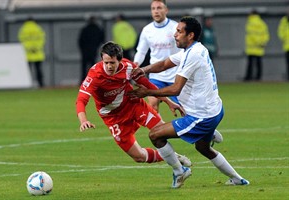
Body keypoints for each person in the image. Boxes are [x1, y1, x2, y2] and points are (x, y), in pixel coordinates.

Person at [128, 16, 250, 189]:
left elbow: (175, 89)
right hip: (214, 110)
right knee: (203, 148)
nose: (174, 35)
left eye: (179, 31)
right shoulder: (195, 49)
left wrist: (147, 91)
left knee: (155, 135)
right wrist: (143, 70)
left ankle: (180, 171)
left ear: (190, 35)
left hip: (201, 116)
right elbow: (163, 64)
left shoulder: (192, 56)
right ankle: (238, 179)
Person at [75, 41, 191, 167]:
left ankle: (203, 130)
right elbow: (81, 99)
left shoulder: (128, 67)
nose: (108, 66)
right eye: (106, 62)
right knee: (139, 157)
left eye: (112, 63)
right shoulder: (95, 75)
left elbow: (147, 85)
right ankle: (173, 156)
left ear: (120, 60)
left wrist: (168, 101)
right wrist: (83, 120)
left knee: (163, 131)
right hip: (113, 117)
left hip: (133, 105)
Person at [134, 0, 180, 113]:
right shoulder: (147, 30)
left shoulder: (176, 28)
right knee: (153, 105)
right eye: (153, 8)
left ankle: (190, 129)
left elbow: (182, 51)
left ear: (166, 10)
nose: (156, 11)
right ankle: (157, 130)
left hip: (174, 75)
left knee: (183, 109)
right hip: (156, 76)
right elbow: (141, 51)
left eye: (159, 8)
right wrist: (136, 64)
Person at [18, 17, 46, 87]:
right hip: (37, 53)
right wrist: (36, 47)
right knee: (38, 70)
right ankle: (41, 84)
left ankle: (28, 84)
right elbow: (42, 39)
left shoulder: (23, 29)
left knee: (27, 71)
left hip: (27, 54)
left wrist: (29, 48)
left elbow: (21, 40)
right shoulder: (38, 28)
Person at [244, 10, 270, 81]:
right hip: (260, 47)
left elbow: (251, 34)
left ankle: (249, 77)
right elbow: (266, 34)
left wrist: (257, 42)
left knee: (250, 63)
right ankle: (258, 77)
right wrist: (262, 43)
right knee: (259, 63)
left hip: (252, 47)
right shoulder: (262, 23)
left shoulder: (250, 23)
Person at [78, 16, 105, 84]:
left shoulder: (85, 29)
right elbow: (102, 39)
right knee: (93, 66)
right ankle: (94, 80)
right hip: (94, 50)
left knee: (84, 67)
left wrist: (82, 49)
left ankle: (83, 80)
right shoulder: (98, 29)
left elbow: (80, 41)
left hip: (85, 51)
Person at [277, 10, 289, 81]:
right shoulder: (284, 21)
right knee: (288, 63)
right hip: (287, 46)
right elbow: (280, 31)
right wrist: (283, 38)